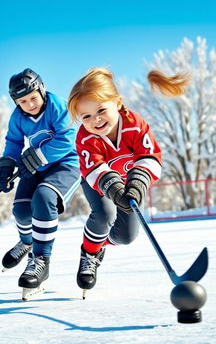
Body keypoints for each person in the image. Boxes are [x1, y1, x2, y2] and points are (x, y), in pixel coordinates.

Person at [67, 67, 189, 297]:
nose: (96, 120)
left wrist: (139, 182)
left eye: (101, 110)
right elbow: (93, 167)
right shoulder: (85, 137)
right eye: (86, 117)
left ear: (118, 103)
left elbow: (150, 155)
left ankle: (101, 243)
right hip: (98, 183)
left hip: (130, 185)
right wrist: (112, 187)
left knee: (127, 236)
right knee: (103, 216)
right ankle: (89, 253)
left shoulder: (134, 124)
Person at [0, 68, 81, 300]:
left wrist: (35, 158)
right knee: (21, 209)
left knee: (44, 198)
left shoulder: (58, 106)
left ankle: (41, 260)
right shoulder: (18, 117)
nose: (30, 104)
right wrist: (6, 164)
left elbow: (67, 140)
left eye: (33, 97)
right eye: (23, 101)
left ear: (41, 90)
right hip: (36, 166)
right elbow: (13, 142)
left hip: (67, 165)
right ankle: (26, 242)